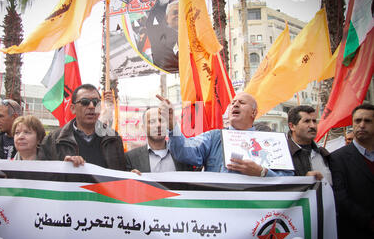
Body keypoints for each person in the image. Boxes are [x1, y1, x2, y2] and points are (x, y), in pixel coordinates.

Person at [163, 92, 293, 177]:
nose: (235, 104)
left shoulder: (270, 141)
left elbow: (289, 179)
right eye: (233, 103)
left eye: (241, 103)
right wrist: (172, 125)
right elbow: (183, 151)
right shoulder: (213, 137)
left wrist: (262, 172)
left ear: (253, 113)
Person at [38, 84, 126, 170]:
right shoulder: (53, 140)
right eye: (85, 102)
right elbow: (42, 175)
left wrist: (132, 174)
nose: (91, 106)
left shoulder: (113, 138)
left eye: (96, 102)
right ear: (73, 108)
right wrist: (63, 168)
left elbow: (121, 174)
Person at [329, 103, 374, 239]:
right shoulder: (338, 158)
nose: (361, 125)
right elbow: (341, 197)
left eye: (367, 121)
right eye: (357, 121)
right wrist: (369, 221)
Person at [126, 107, 197, 173]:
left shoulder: (183, 154)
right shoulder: (130, 158)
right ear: (143, 127)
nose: (158, 125)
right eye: (152, 122)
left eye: (161, 120)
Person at [287, 105, 331, 182]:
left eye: (314, 121)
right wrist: (304, 181)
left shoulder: (324, 153)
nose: (313, 126)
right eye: (307, 121)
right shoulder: (282, 154)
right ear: (292, 126)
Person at [145, 0, 179, 72]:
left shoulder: (194, 35)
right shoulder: (160, 37)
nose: (179, 15)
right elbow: (150, 23)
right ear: (166, 18)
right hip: (168, 78)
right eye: (175, 12)